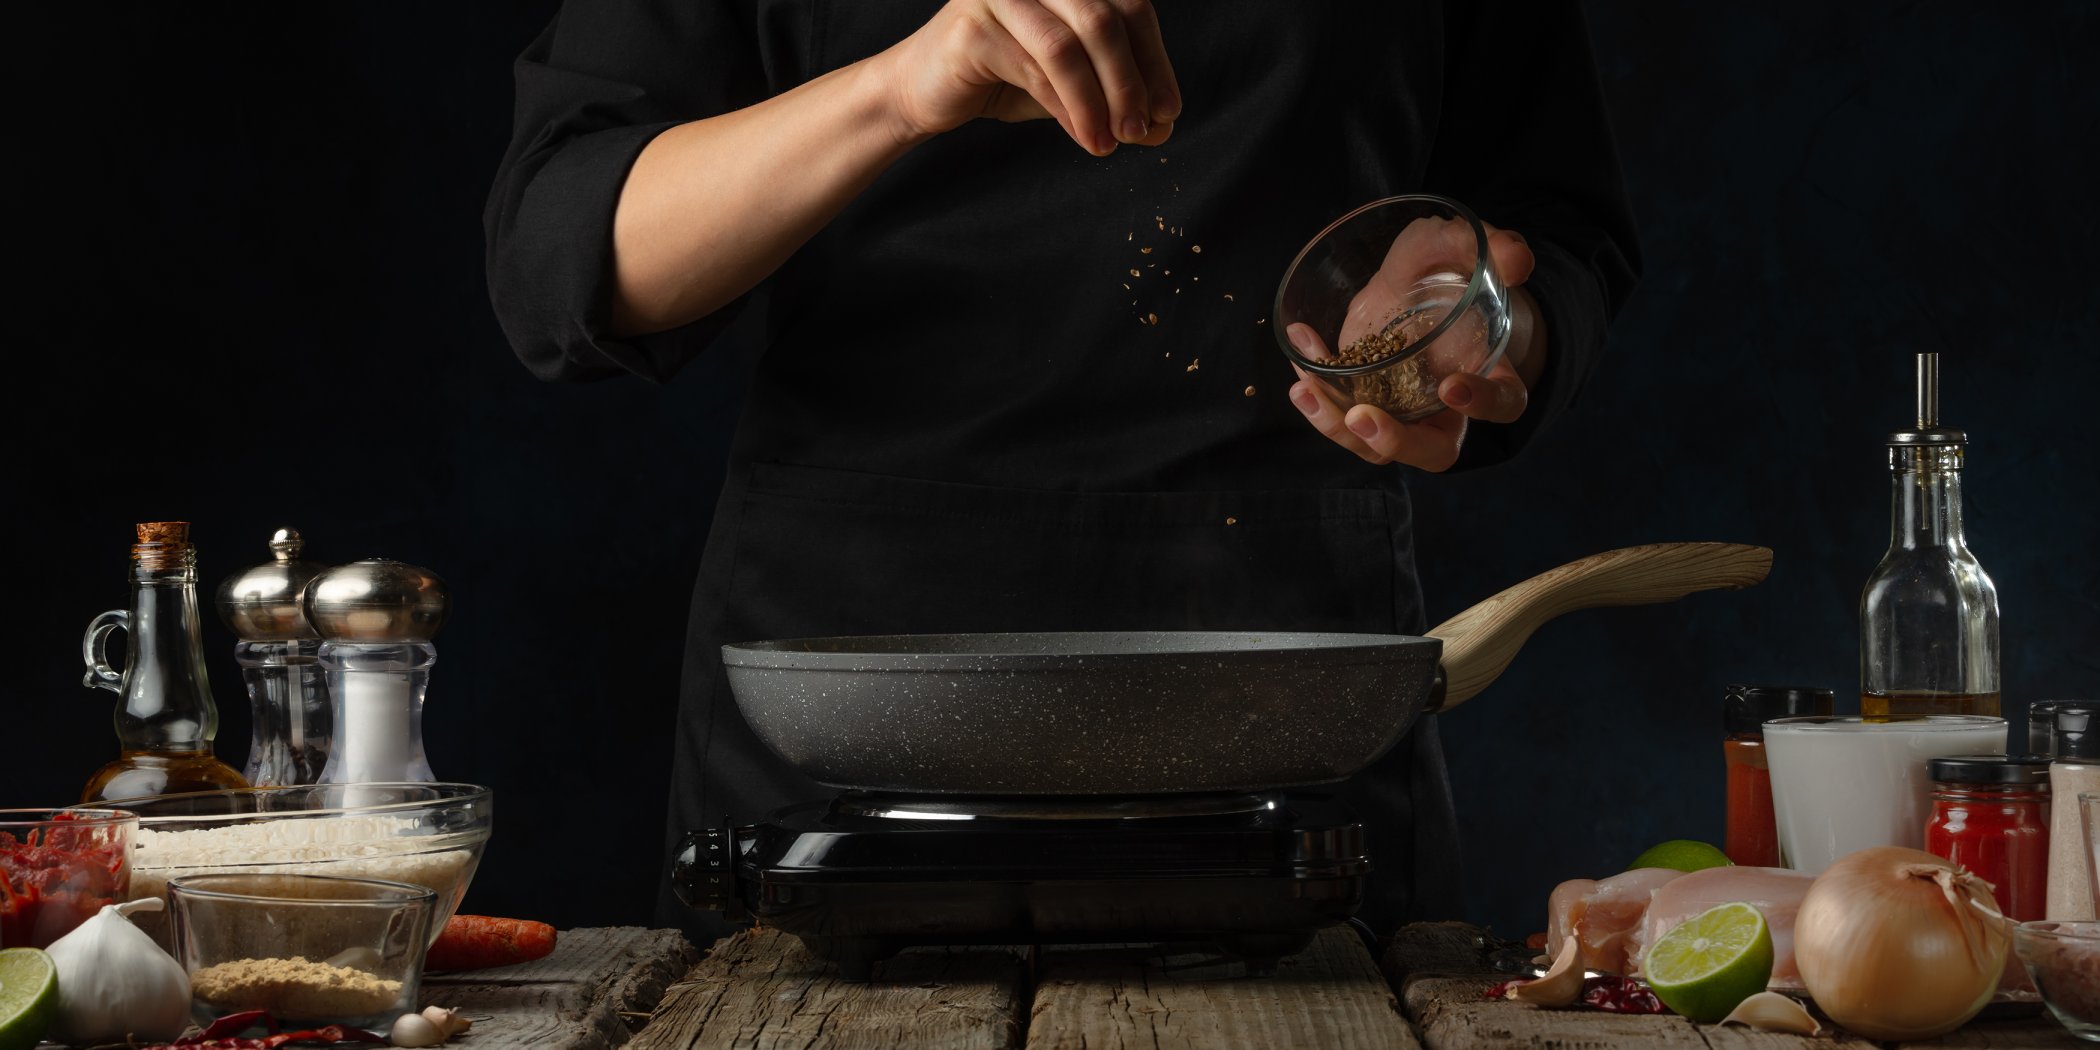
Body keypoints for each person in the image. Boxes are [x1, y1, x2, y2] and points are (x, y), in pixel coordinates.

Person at [486, 0, 1639, 942]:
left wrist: (1485, 327)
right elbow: (562, 259)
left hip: (1286, 682)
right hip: (850, 692)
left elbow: (1559, 235)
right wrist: (897, 89)